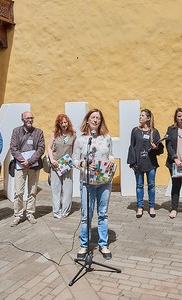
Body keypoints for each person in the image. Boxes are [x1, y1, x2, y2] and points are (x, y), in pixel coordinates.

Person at [73, 109, 115, 260]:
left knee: (102, 214)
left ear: (101, 121)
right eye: (93, 117)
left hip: (104, 182)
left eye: (98, 118)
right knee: (86, 216)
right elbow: (74, 160)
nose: (95, 120)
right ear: (88, 120)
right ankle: (84, 246)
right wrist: (83, 163)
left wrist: (111, 160)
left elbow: (111, 154)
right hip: (87, 182)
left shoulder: (107, 138)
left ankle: (103, 245)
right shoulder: (81, 140)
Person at [9, 110, 45, 226]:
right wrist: (22, 161)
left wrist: (30, 161)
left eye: (31, 118)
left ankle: (30, 213)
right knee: (18, 191)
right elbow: (13, 148)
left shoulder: (38, 132)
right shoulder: (16, 131)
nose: (29, 120)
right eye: (27, 118)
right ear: (22, 120)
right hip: (20, 165)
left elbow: (41, 148)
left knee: (32, 191)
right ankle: (18, 215)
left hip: (33, 166)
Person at [127, 109, 163, 218]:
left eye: (142, 115)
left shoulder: (154, 132)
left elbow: (160, 149)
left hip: (151, 163)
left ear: (148, 118)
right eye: (140, 115)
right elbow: (132, 147)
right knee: (139, 185)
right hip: (138, 163)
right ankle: (139, 207)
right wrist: (132, 163)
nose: (140, 117)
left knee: (151, 185)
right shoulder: (135, 131)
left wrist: (155, 147)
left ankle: (151, 207)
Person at [48, 114, 76, 219]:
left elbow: (75, 150)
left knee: (68, 188)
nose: (64, 124)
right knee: (56, 188)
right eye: (61, 122)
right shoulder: (54, 134)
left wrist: (73, 161)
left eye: (65, 122)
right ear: (58, 124)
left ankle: (65, 210)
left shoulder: (73, 135)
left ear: (68, 123)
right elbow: (49, 147)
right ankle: (56, 211)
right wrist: (52, 160)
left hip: (67, 164)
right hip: (56, 164)